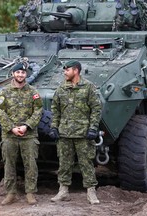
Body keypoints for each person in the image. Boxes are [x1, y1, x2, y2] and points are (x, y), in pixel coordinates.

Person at [49, 60, 101, 204]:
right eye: (64, 70)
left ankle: (91, 192)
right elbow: (55, 110)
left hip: (83, 133)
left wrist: (93, 128)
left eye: (67, 70)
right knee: (64, 163)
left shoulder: (88, 87)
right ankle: (63, 191)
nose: (65, 72)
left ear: (76, 71)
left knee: (86, 163)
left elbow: (96, 109)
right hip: (64, 133)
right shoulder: (61, 89)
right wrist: (54, 127)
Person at [0, 62, 43, 205]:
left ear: (26, 74)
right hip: (10, 134)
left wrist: (26, 126)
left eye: (23, 73)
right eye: (18, 72)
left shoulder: (33, 92)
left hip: (28, 134)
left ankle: (30, 193)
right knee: (9, 164)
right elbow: (0, 111)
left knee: (31, 164)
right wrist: (11, 128)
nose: (20, 75)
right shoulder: (4, 92)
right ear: (13, 74)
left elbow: (38, 111)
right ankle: (11, 193)